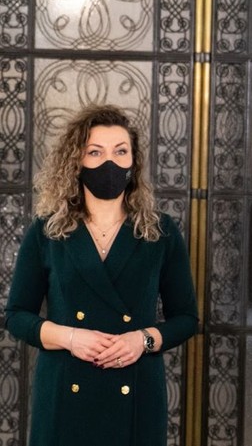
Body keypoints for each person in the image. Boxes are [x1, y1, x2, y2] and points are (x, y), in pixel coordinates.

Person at [5, 104, 199, 446]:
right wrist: (70, 338)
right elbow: (17, 316)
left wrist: (142, 340)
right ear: (76, 162)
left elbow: (186, 319)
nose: (110, 162)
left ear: (134, 162)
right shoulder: (47, 231)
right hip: (65, 391)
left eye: (120, 151)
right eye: (95, 152)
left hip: (135, 389)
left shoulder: (161, 232)